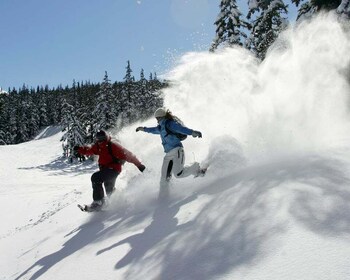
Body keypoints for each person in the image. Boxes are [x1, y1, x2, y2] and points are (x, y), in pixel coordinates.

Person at [136, 108, 205, 197]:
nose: (157, 120)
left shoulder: (170, 124)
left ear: (161, 117)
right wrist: (143, 129)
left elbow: (181, 129)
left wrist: (192, 132)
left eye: (158, 118)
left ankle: (195, 167)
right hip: (168, 154)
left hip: (177, 150)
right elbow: (152, 130)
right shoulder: (160, 128)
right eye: (156, 118)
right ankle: (163, 197)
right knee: (164, 178)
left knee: (178, 174)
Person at [74, 130, 145, 210]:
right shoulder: (98, 146)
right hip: (105, 170)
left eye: (102, 139)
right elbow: (89, 150)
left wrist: (139, 165)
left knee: (96, 178)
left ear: (106, 138)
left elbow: (128, 155)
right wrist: (80, 149)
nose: (100, 141)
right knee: (109, 191)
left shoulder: (113, 146)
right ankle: (120, 202)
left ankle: (98, 202)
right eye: (98, 139)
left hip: (113, 169)